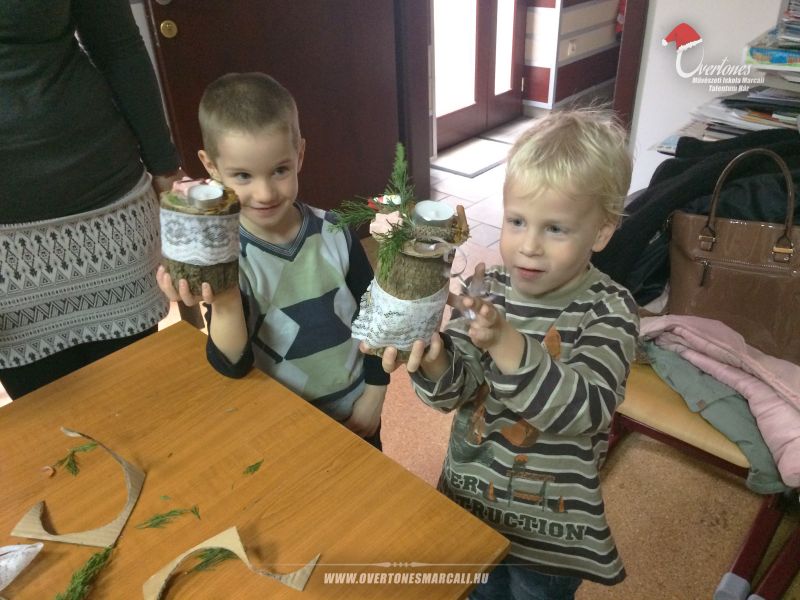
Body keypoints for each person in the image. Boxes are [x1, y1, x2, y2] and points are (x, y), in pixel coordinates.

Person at [373, 110, 639, 598]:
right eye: (517, 221)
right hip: (470, 505)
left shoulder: (610, 309)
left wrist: (506, 342)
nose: (528, 246)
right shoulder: (487, 286)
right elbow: (455, 392)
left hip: (550, 531)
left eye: (555, 229)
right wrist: (434, 358)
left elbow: (586, 411)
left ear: (602, 231)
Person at [157, 73, 388, 447]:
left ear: (299, 155)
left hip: (356, 414)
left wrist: (375, 395)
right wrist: (225, 298)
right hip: (279, 429)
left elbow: (378, 321)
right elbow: (231, 364)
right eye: (243, 176)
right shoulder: (227, 258)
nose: (264, 192)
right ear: (211, 167)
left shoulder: (337, 233)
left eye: (280, 170)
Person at [0, 0, 186, 399]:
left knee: (141, 405)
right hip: (5, 253)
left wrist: (166, 171)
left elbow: (119, 47)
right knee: (49, 425)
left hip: (107, 210)